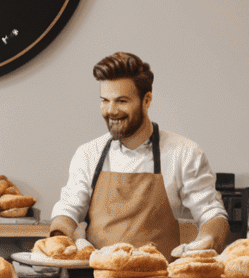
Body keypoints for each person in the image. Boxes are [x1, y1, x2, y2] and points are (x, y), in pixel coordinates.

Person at [49, 50, 229, 257]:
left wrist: (209, 240)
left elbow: (211, 213)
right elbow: (69, 208)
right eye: (105, 100)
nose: (111, 111)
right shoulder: (88, 154)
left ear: (147, 100)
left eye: (122, 101)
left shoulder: (185, 153)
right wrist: (57, 237)